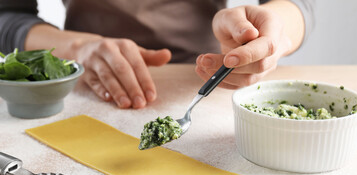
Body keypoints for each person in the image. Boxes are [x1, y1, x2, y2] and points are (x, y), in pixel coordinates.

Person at [0, 0, 314, 109]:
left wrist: (269, 36)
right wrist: (77, 47)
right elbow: (7, 16)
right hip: (84, 83)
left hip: (211, 81)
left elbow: (297, 6)